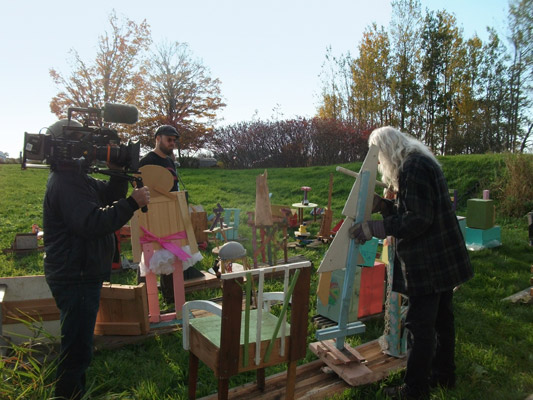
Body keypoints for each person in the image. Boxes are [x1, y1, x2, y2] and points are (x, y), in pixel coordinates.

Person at [349, 126, 473, 400]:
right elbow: (414, 210)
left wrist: (375, 228)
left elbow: (417, 220)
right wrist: (384, 206)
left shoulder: (413, 168)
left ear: (386, 151)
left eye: (379, 158)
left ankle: (415, 390)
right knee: (442, 320)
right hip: (442, 255)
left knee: (420, 325)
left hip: (430, 261)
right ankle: (444, 376)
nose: (380, 164)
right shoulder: (418, 160)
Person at [43, 120, 151, 400]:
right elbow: (91, 223)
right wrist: (132, 203)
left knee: (79, 345)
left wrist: (117, 174)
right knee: (76, 349)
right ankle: (68, 396)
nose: (91, 151)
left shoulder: (75, 177)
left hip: (79, 271)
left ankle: (73, 392)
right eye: (84, 144)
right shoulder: (66, 182)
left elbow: (105, 196)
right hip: (75, 274)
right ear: (67, 146)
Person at [138, 125, 201, 304]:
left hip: (172, 211)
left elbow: (174, 187)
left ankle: (171, 298)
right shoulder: (147, 161)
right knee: (151, 253)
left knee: (170, 253)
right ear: (158, 138)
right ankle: (142, 297)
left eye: (174, 141)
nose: (172, 143)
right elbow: (143, 189)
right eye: (169, 140)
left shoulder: (169, 161)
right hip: (153, 213)